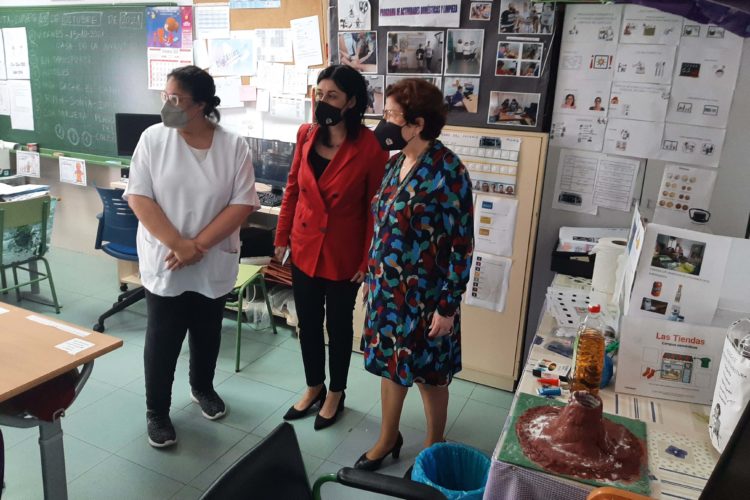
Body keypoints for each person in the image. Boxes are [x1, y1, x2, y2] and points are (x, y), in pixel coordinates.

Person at [124, 65, 260, 448]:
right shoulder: (153, 139)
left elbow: (242, 203)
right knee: (163, 337)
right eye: (165, 96)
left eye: (176, 99)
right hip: (166, 257)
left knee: (207, 330)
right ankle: (157, 411)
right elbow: (139, 197)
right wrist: (178, 244)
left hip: (211, 258)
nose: (167, 104)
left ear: (200, 105)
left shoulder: (233, 146)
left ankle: (202, 388)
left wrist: (196, 246)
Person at [356, 79, 474, 471]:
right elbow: (384, 225)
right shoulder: (394, 163)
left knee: (431, 375)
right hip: (388, 292)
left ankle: (433, 446)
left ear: (417, 124)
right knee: (391, 367)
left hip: (427, 297)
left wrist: (448, 306)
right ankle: (388, 438)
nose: (383, 121)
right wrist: (371, 276)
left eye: (391, 115)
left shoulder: (449, 171)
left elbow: (461, 245)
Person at [275, 65, 387, 430]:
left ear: (351, 102)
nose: (322, 101)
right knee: (307, 323)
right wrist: (281, 236)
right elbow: (293, 188)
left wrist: (367, 259)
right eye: (319, 94)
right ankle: (314, 387)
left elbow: (374, 209)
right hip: (305, 246)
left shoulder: (370, 147)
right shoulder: (306, 134)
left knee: (338, 327)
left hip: (344, 253)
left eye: (332, 96)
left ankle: (336, 392)